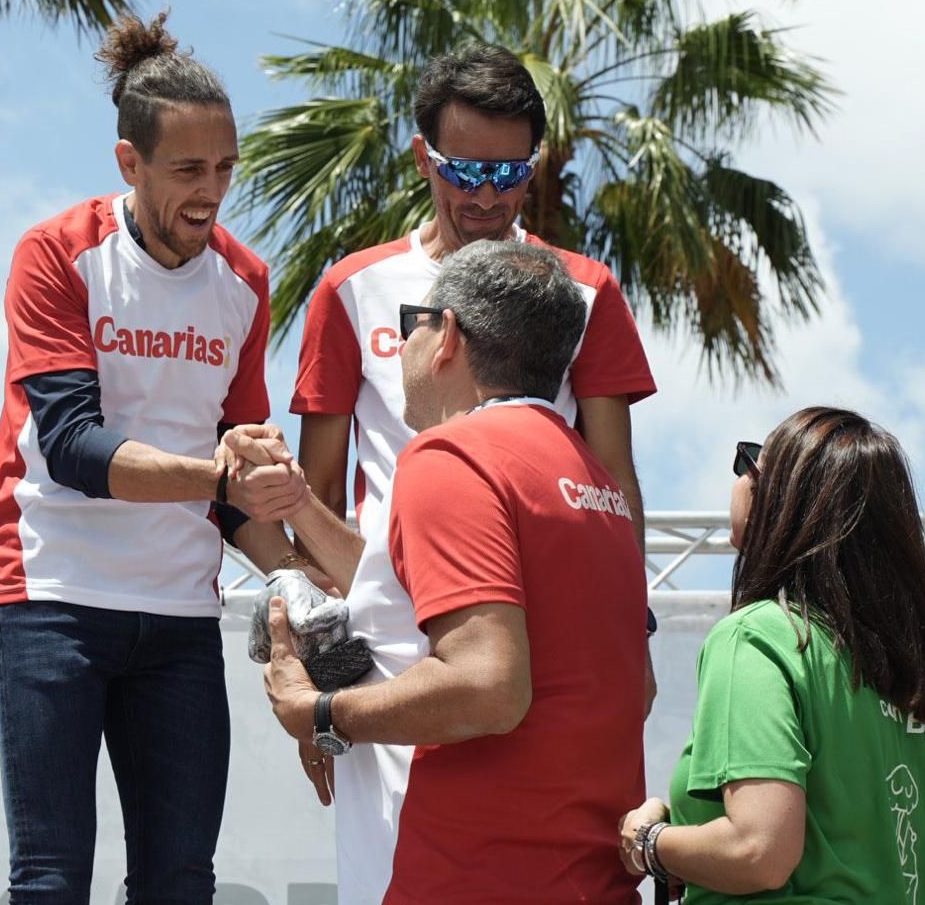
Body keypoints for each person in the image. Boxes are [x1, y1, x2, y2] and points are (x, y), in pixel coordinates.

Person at [0, 11, 317, 904]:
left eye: (226, 167)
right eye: (188, 170)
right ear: (129, 162)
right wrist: (219, 475)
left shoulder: (244, 280)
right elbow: (72, 447)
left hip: (178, 618)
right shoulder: (56, 253)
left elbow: (238, 491)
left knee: (179, 882)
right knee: (50, 881)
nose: (212, 192)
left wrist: (300, 583)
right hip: (51, 599)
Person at [249, 240, 649, 903]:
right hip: (582, 873)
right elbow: (403, 589)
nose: (404, 345)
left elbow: (486, 685)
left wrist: (319, 712)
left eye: (414, 322)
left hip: (464, 868)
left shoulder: (452, 456)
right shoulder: (592, 484)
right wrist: (299, 504)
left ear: (447, 336)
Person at [289, 43, 660, 735]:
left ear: (533, 165)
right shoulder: (353, 289)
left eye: (508, 173)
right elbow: (320, 492)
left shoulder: (584, 290)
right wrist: (319, 671)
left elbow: (613, 478)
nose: (487, 197)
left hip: (543, 625)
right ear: (422, 158)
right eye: (464, 171)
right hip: (387, 635)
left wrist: (632, 629)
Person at [616, 408, 925, 903]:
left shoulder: (756, 638)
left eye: (749, 463)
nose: (740, 478)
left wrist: (647, 842)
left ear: (782, 498)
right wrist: (689, 850)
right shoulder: (902, 675)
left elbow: (758, 851)